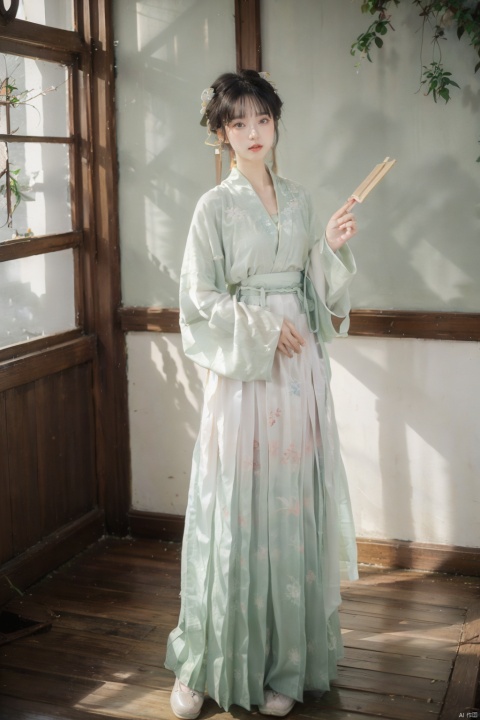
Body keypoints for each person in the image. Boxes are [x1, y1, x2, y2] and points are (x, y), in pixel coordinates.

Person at [165, 69, 359, 719]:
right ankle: (205, 661)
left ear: (276, 124)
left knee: (288, 507)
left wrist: (329, 251)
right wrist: (260, 326)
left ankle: (287, 663)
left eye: (263, 120)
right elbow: (197, 300)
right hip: (247, 373)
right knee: (234, 509)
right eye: (238, 122)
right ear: (220, 134)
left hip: (298, 373)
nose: (253, 133)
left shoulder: (301, 201)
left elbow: (311, 288)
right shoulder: (212, 209)